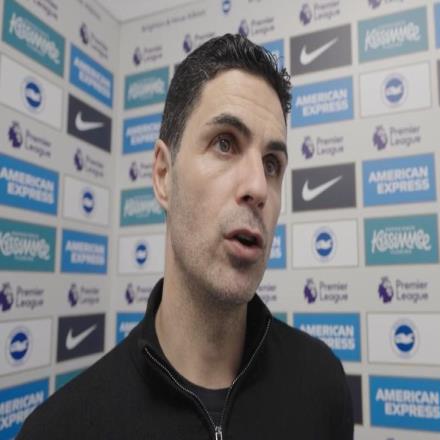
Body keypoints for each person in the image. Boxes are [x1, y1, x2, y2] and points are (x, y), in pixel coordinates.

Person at [19, 34, 353, 440]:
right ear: (163, 175)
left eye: (271, 164)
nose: (258, 187)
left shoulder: (322, 384)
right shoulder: (61, 430)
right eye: (225, 143)